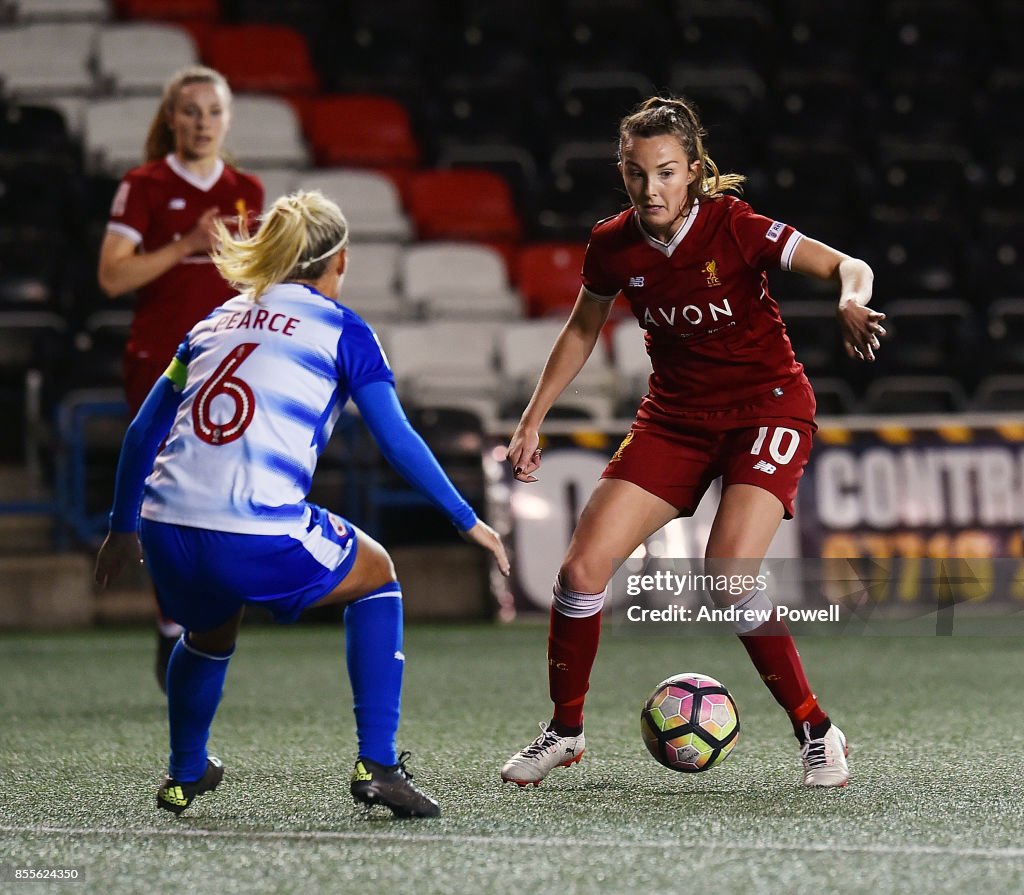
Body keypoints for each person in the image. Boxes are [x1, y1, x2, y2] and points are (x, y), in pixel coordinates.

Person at [500, 96, 885, 789]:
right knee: (580, 573)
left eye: (667, 172)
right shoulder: (612, 243)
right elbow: (584, 328)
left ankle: (817, 730)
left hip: (766, 410)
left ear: (696, 172)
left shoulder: (737, 227)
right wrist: (533, 418)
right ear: (623, 172)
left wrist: (850, 298)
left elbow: (847, 264)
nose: (652, 189)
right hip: (675, 418)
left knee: (728, 573)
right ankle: (564, 730)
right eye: (637, 173)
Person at [94, 190, 510, 819]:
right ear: (339, 260)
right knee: (377, 577)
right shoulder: (344, 329)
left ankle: (185, 772)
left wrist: (121, 530)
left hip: (166, 525)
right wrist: (466, 518)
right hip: (250, 528)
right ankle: (379, 763)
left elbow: (141, 433)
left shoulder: (214, 320)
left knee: (209, 631)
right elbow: (395, 439)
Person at [97, 65, 264, 691]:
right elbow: (113, 277)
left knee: (217, 494)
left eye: (212, 112)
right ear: (171, 118)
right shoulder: (143, 185)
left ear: (227, 119)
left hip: (230, 368)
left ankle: (197, 624)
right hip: (159, 364)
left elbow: (255, 280)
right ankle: (173, 627)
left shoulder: (248, 188)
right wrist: (187, 242)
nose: (202, 123)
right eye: (190, 111)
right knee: (166, 494)